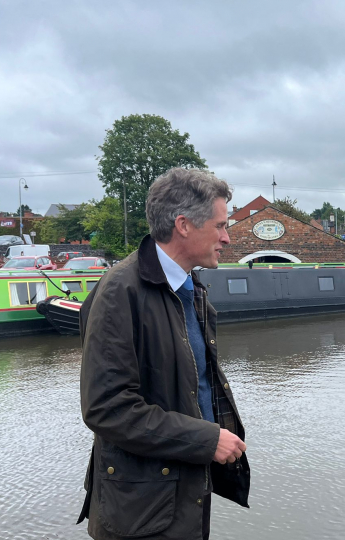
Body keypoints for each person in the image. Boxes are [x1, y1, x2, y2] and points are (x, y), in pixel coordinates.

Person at [78, 168, 250, 540]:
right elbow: (107, 408)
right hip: (140, 513)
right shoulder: (119, 293)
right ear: (184, 225)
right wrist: (206, 439)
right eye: (220, 226)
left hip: (183, 489)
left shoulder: (191, 288)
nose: (227, 238)